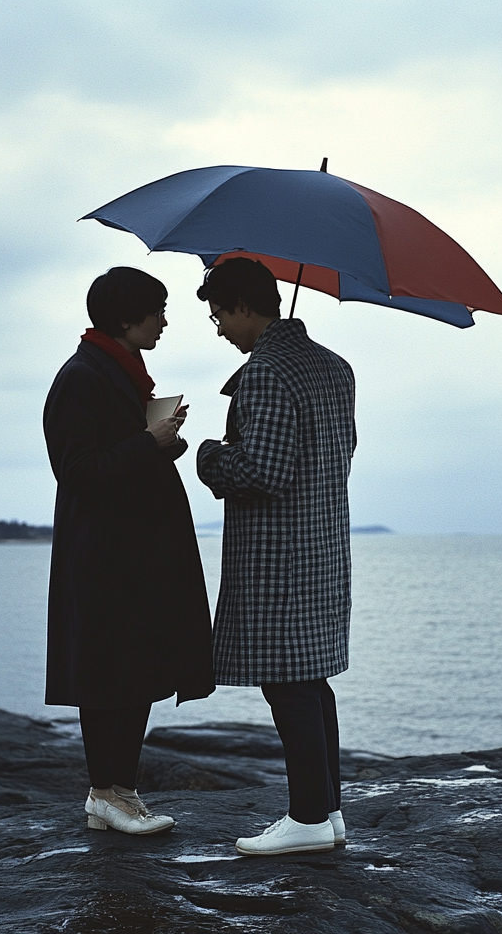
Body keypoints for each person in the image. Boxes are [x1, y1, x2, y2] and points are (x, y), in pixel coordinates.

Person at [43, 266, 215, 835]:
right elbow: (79, 472)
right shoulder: (81, 377)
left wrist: (160, 435)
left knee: (135, 671)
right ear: (125, 316)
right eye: (157, 310)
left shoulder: (120, 372)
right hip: (103, 556)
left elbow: (120, 456)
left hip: (132, 554)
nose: (165, 321)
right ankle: (102, 793)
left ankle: (123, 791)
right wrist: (150, 441)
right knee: (107, 674)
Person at [195, 257, 356, 856]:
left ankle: (309, 815)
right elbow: (337, 452)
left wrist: (209, 454)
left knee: (287, 684)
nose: (217, 327)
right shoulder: (336, 369)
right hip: (322, 547)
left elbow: (263, 470)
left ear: (243, 306)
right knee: (310, 682)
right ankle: (328, 810)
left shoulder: (265, 372)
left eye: (218, 314)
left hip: (275, 556)